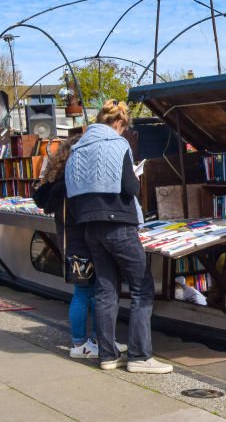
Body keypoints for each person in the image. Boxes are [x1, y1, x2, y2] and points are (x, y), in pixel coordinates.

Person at [66, 100, 171, 374]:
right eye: (124, 129)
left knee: (105, 288)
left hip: (90, 226)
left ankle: (108, 356)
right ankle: (139, 357)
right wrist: (136, 178)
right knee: (141, 287)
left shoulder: (76, 148)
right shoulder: (117, 144)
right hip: (119, 224)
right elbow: (129, 186)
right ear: (119, 124)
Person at [33, 135, 112, 360]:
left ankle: (95, 340)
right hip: (81, 244)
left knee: (89, 292)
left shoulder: (60, 182)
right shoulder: (72, 184)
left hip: (74, 243)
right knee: (86, 293)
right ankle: (80, 343)